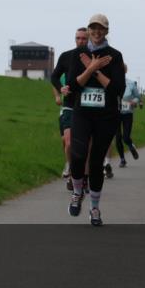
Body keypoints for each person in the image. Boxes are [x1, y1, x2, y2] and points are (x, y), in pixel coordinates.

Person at [65, 14, 126, 227]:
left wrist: (95, 70)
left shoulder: (114, 56)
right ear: (89, 30)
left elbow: (118, 89)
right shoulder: (78, 54)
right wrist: (90, 68)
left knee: (96, 162)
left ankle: (94, 208)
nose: (96, 32)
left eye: (101, 28)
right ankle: (77, 192)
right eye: (93, 28)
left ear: (106, 31)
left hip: (106, 116)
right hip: (82, 113)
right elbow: (73, 86)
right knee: (78, 154)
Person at [51, 28, 88, 190]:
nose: (80, 41)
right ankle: (72, 171)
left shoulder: (94, 57)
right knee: (68, 142)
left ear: (89, 40)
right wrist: (61, 88)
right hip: (69, 105)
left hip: (87, 106)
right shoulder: (66, 56)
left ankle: (84, 175)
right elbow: (54, 76)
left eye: (84, 38)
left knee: (86, 146)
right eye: (78, 38)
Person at [109, 64, 141, 168]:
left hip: (127, 113)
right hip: (116, 114)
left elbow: (137, 97)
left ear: (125, 71)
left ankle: (131, 146)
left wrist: (134, 101)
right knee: (118, 138)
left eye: (122, 70)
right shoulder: (111, 82)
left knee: (126, 137)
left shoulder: (131, 84)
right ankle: (122, 159)